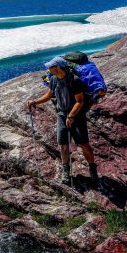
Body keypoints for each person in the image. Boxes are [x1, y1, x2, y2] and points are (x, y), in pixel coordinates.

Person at [27, 56, 99, 186]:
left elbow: (80, 101)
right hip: (61, 115)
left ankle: (92, 169)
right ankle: (66, 171)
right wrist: (35, 101)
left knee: (84, 145)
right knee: (63, 145)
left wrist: (71, 116)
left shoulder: (74, 80)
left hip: (76, 116)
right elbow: (49, 95)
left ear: (58, 67)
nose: (48, 69)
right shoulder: (54, 79)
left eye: (51, 67)